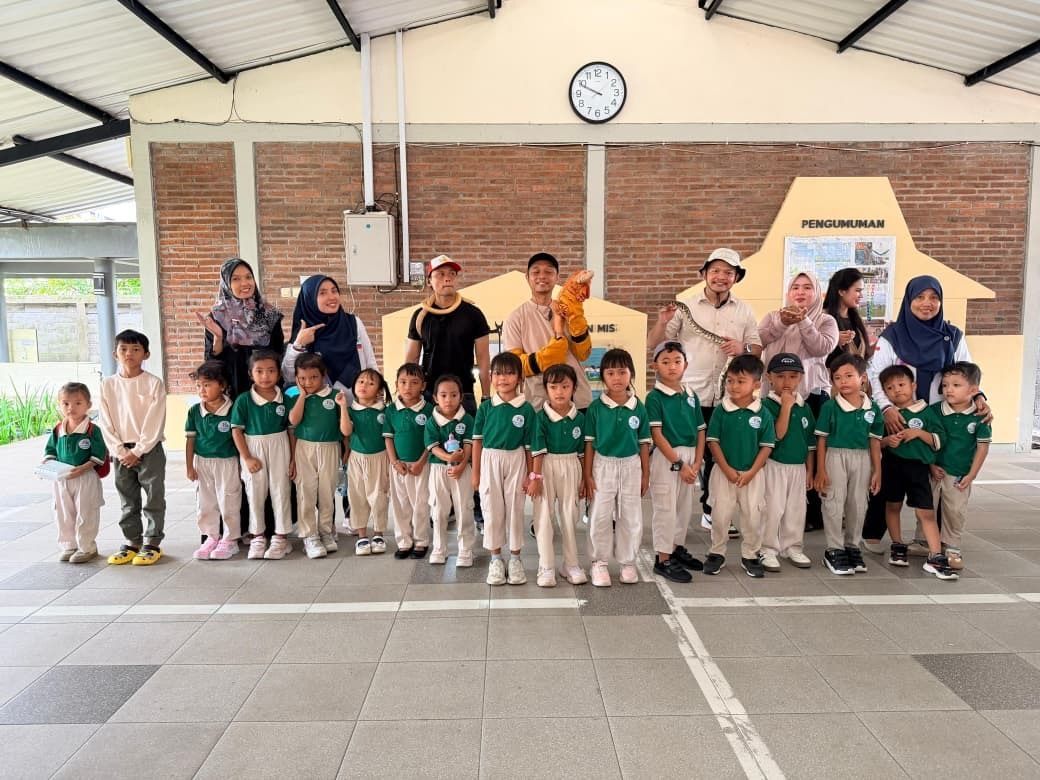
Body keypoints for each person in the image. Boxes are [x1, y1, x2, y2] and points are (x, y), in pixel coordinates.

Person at [862, 275, 990, 551]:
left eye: (933, 297)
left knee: (936, 476)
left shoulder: (952, 336)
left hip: (938, 419)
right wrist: (886, 408)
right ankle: (873, 533)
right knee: (891, 475)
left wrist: (978, 396)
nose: (927, 303)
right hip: (897, 417)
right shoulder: (892, 337)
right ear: (909, 301)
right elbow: (875, 376)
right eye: (920, 297)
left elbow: (967, 371)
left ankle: (928, 539)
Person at [647, 248, 762, 536]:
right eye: (716, 271)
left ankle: (711, 510)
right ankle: (672, 519)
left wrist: (742, 349)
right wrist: (662, 321)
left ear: (736, 278)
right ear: (704, 274)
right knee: (684, 450)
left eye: (728, 272)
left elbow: (757, 348)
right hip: (690, 395)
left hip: (728, 396)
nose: (721, 277)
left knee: (718, 451)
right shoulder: (685, 306)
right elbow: (654, 344)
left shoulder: (744, 310)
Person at [758, 272, 837, 532]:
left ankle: (809, 512)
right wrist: (781, 322)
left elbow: (820, 348)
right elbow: (760, 340)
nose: (800, 292)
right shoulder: (772, 316)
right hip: (773, 396)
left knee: (807, 451)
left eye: (807, 288)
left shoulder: (826, 321)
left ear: (817, 293)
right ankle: (771, 510)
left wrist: (804, 322)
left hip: (810, 396)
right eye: (795, 287)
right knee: (775, 447)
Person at [876, 365, 957, 580]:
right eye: (890, 388)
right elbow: (874, 442)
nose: (897, 390)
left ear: (913, 385)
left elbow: (939, 441)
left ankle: (936, 556)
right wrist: (886, 441)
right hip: (892, 466)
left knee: (926, 512)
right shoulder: (887, 416)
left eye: (901, 385)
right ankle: (897, 545)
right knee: (892, 505)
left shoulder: (927, 412)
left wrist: (919, 433)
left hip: (918, 469)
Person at [703, 355, 776, 578]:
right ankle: (717, 552)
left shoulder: (762, 413)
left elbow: (766, 446)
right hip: (723, 474)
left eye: (740, 381)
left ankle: (751, 555)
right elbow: (712, 441)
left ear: (756, 384)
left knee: (753, 516)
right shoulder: (721, 410)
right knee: (720, 515)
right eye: (730, 380)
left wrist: (753, 471)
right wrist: (726, 469)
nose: (733, 386)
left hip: (753, 476)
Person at [583, 348, 651, 587]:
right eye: (610, 373)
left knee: (630, 515)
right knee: (600, 515)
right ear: (603, 377)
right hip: (603, 465)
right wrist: (587, 475)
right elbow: (589, 445)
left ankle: (627, 561)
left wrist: (645, 474)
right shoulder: (595, 408)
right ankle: (599, 562)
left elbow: (644, 444)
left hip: (631, 466)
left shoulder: (638, 407)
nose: (617, 378)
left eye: (622, 372)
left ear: (630, 374)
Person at [99, 330, 167, 567]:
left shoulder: (153, 383)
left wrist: (138, 450)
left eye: (136, 349)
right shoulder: (107, 385)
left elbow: (155, 420)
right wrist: (120, 451)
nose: (129, 353)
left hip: (149, 449)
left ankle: (152, 541)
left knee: (154, 495)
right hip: (120, 452)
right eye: (124, 349)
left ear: (145, 354)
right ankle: (131, 540)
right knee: (127, 498)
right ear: (115, 353)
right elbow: (106, 422)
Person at [814, 354, 883, 576]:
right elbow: (821, 439)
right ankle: (834, 549)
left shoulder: (873, 409)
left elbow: (874, 442)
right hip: (835, 456)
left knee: (858, 503)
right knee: (834, 501)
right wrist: (821, 469)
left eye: (848, 376)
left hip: (862, 458)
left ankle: (852, 546)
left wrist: (877, 471)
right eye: (837, 377)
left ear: (862, 378)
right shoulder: (830, 407)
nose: (843, 381)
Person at [472, 352, 536, 586]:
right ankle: (496, 559)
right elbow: (477, 441)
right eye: (498, 373)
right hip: (490, 460)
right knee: (492, 510)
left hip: (516, 459)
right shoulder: (486, 407)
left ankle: (516, 559)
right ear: (490, 377)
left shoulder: (526, 409)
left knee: (515, 509)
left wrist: (531, 475)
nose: (503, 378)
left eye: (510, 373)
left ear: (520, 378)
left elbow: (530, 447)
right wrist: (476, 473)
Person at [502, 253, 594, 410]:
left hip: (578, 400)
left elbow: (583, 353)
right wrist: (550, 355)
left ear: (557, 277)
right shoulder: (516, 317)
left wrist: (575, 317)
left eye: (549, 272)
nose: (542, 276)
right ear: (527, 277)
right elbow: (516, 366)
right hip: (539, 403)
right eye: (536, 272)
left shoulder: (568, 307)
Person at [646, 341, 706, 584]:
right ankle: (663, 559)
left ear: (686, 365)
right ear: (655, 366)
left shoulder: (691, 394)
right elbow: (657, 435)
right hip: (668, 458)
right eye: (665, 362)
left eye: (677, 362)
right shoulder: (654, 397)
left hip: (692, 456)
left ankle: (676, 548)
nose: (672, 367)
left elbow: (701, 429)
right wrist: (680, 464)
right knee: (665, 508)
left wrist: (697, 462)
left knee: (683, 508)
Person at [231, 350, 294, 560]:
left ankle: (281, 537)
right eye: (259, 371)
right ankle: (257, 536)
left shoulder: (285, 399)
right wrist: (247, 457)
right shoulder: (243, 400)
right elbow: (236, 431)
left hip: (280, 444)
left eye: (270, 371)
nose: (265, 376)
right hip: (253, 448)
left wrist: (293, 458)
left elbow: (292, 430)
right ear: (251, 374)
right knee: (255, 492)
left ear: (278, 374)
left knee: (281, 490)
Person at [528, 364, 587, 588]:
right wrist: (535, 477)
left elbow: (583, 451)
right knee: (543, 515)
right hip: (545, 466)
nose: (559, 391)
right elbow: (538, 450)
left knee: (570, 515)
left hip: (571, 465)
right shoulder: (540, 417)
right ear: (546, 389)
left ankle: (570, 564)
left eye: (565, 386)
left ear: (574, 388)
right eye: (554, 387)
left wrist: (584, 478)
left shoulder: (580, 418)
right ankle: (546, 566)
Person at [930, 362, 992, 571]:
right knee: (927, 506)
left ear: (974, 391)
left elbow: (982, 448)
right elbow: (926, 442)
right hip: (935, 470)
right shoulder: (934, 411)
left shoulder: (981, 415)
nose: (948, 389)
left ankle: (952, 547)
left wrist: (972, 475)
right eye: (945, 385)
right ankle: (925, 542)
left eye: (956, 385)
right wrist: (930, 465)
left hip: (959, 473)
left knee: (955, 511)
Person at [198, 258, 285, 399]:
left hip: (266, 390)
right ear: (226, 284)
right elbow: (211, 363)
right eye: (236, 279)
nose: (244, 283)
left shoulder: (269, 314)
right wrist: (219, 338)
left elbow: (279, 353)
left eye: (248, 277)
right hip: (233, 390)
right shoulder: (216, 317)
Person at [760, 354, 816, 571]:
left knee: (796, 509)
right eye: (780, 376)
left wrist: (810, 471)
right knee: (773, 508)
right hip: (775, 465)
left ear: (801, 378)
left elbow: (810, 442)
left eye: (793, 376)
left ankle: (792, 546)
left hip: (798, 467)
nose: (787, 382)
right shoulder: (766, 405)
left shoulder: (805, 407)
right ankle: (767, 549)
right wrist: (785, 407)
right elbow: (777, 435)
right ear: (769, 377)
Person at [287, 353, 346, 560]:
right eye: (302, 378)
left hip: (330, 447)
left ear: (323, 375)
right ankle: (309, 535)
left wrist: (345, 452)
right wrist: (303, 396)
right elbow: (293, 421)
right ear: (296, 378)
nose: (308, 382)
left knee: (326, 491)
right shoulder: (296, 398)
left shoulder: (336, 396)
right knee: (306, 492)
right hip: (304, 448)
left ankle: (326, 531)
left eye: (313, 377)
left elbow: (344, 428)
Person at [282, 274, 378, 398]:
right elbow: (289, 376)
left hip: (356, 404)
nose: (332, 297)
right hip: (318, 409)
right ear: (309, 298)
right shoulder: (304, 330)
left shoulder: (353, 323)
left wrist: (377, 391)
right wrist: (298, 344)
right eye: (322, 293)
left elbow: (370, 363)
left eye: (334, 291)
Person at [42, 382, 107, 564]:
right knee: (63, 512)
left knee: (86, 512)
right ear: (60, 404)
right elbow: (50, 452)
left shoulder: (92, 430)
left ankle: (87, 547)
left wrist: (83, 468)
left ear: (88, 405)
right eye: (66, 403)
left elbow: (99, 455)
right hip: (61, 478)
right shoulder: (58, 430)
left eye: (78, 403)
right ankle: (69, 545)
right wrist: (47, 465)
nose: (71, 408)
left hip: (85, 477)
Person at [185, 361, 242, 561]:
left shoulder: (233, 408)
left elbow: (239, 437)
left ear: (222, 385)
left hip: (227, 461)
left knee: (229, 500)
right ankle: (211, 537)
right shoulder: (194, 411)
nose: (202, 390)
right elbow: (190, 439)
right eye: (199, 385)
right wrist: (189, 466)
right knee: (206, 502)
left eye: (207, 385)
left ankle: (231, 539)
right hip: (202, 462)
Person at [384, 363, 435, 560]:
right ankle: (404, 541)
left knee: (420, 504)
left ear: (423, 386)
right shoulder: (391, 410)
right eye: (403, 382)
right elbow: (388, 437)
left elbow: (432, 441)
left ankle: (421, 541)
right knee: (400, 505)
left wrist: (422, 461)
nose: (408, 387)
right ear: (396, 384)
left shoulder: (430, 410)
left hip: (421, 466)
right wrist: (395, 462)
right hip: (399, 467)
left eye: (414, 383)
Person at [425, 374, 477, 566]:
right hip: (439, 469)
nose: (449, 399)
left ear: (461, 397)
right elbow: (433, 447)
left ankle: (465, 550)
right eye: (444, 395)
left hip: (463, 469)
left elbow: (469, 444)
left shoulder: (468, 419)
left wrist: (461, 464)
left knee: (464, 508)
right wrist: (449, 458)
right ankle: (439, 548)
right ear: (436, 398)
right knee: (438, 509)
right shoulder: (432, 421)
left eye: (454, 395)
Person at [342, 368, 392, 555]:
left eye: (371, 383)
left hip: (380, 458)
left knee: (379, 496)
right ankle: (362, 535)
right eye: (361, 381)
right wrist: (341, 407)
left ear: (379, 391)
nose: (364, 385)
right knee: (357, 497)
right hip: (356, 458)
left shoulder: (386, 411)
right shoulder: (350, 410)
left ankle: (378, 533)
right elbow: (346, 432)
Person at [822, 268, 873, 368]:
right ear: (841, 291)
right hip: (831, 381)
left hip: (859, 382)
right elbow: (814, 352)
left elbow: (863, 356)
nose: (861, 296)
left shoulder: (856, 320)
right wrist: (833, 341)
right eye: (858, 291)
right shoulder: (823, 318)